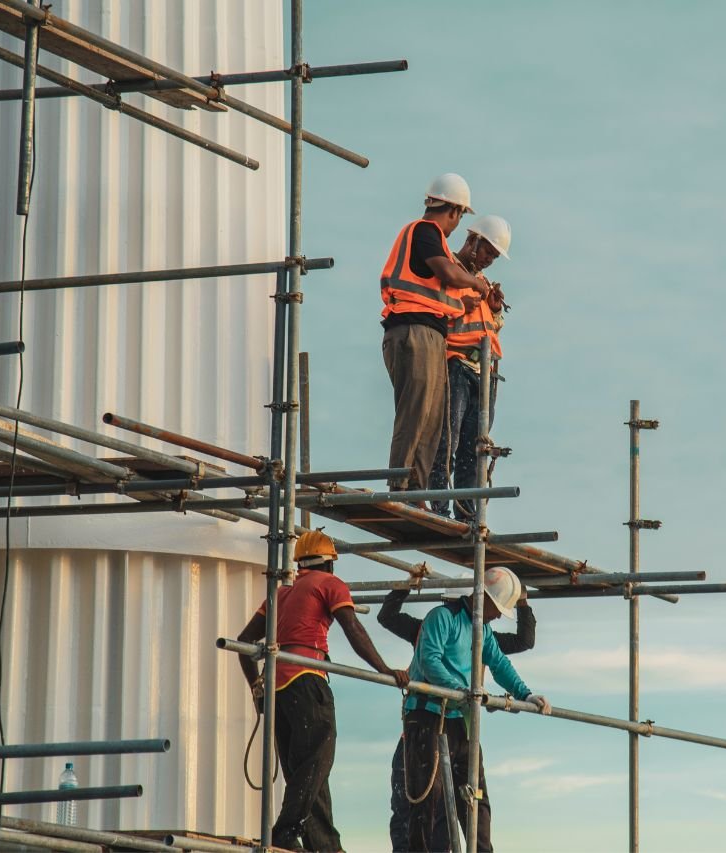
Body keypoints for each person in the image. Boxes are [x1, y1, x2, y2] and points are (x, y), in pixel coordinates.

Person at [235, 530, 410, 852]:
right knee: (317, 761)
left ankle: (325, 845)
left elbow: (244, 645)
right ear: (330, 563)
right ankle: (285, 833)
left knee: (305, 771)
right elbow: (353, 628)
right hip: (306, 677)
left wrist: (257, 688)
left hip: (277, 686)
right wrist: (384, 669)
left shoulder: (281, 594)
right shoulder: (329, 584)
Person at [401, 567, 551, 852]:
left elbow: (499, 664)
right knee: (426, 797)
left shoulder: (483, 630)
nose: (497, 616)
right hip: (427, 716)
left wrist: (526, 694)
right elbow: (430, 660)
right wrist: (463, 691)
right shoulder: (441, 618)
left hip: (460, 719)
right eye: (498, 609)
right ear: (485, 598)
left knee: (475, 799)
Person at [381, 174, 493, 496]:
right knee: (415, 412)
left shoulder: (433, 242)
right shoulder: (425, 231)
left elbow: (437, 289)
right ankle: (400, 486)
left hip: (427, 334)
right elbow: (445, 272)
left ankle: (416, 489)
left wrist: (467, 300)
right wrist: (474, 283)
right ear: (456, 211)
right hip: (412, 332)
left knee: (431, 419)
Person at [427, 215, 512, 520]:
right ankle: (438, 507)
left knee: (472, 450)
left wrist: (496, 309)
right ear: (473, 240)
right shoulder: (448, 268)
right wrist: (466, 306)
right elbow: (437, 313)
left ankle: (466, 513)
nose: (489, 260)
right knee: (446, 440)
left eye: (494, 255)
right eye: (487, 251)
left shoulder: (482, 283)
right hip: (456, 365)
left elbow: (490, 327)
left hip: (484, 373)